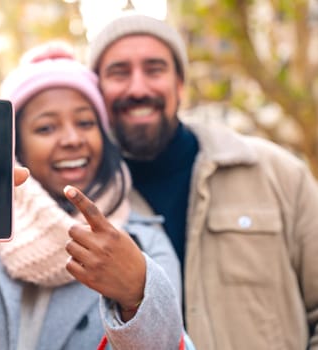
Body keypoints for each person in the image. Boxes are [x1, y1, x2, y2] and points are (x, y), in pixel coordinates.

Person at [0, 42, 193, 349]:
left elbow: (172, 341)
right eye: (46, 128)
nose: (71, 139)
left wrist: (137, 295)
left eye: (85, 122)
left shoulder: (142, 239)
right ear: (17, 145)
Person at [87, 10, 318, 350]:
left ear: (180, 84)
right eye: (119, 73)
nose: (138, 87)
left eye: (154, 69)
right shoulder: (83, 201)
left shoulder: (279, 173)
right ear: (97, 91)